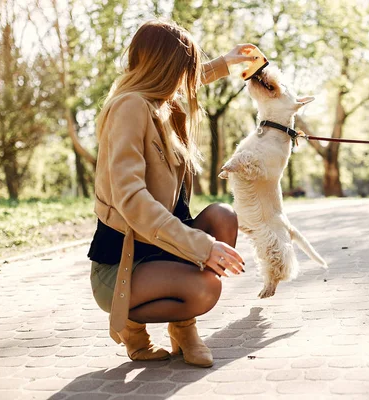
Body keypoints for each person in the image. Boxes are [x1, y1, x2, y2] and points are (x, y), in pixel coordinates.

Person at [88, 20, 254, 368]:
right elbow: (131, 199)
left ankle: (182, 330)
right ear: (165, 69)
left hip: (162, 246)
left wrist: (226, 62)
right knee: (205, 289)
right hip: (126, 262)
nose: (188, 79)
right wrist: (203, 248)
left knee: (223, 216)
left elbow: (189, 83)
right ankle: (134, 328)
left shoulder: (158, 103)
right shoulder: (130, 107)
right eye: (184, 68)